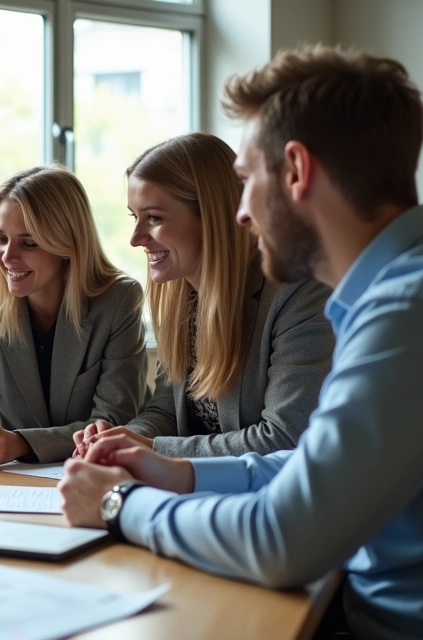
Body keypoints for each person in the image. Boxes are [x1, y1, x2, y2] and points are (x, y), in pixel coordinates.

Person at [59, 46, 423, 639]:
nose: (239, 213)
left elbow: (282, 540)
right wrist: (175, 474)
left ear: (295, 171)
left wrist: (118, 506)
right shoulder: (411, 291)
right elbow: (309, 466)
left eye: (245, 182)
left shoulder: (414, 314)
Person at [72, 133, 332, 458]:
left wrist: (152, 449)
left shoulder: (299, 293)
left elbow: (284, 438)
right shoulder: (180, 295)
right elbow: (165, 413)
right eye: (134, 217)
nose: (136, 239)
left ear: (212, 217)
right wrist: (119, 440)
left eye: (153, 218)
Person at [0, 166, 151, 464]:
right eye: (0, 238)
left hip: (107, 472)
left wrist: (20, 443)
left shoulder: (118, 301)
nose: (7, 257)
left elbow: (112, 423)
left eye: (29, 242)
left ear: (67, 244)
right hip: (20, 484)